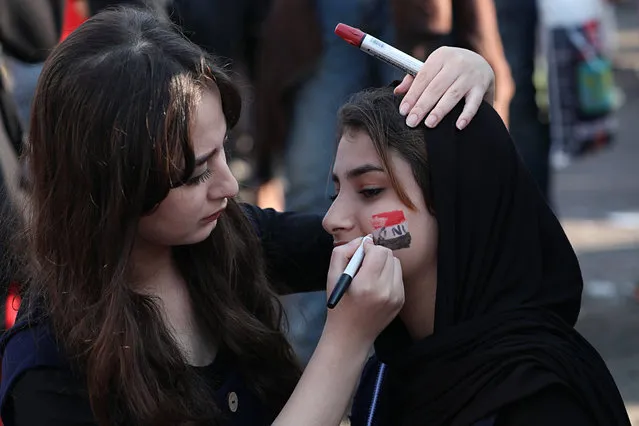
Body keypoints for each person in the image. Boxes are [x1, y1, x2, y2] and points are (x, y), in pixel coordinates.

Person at [0, 7, 497, 426]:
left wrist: (464, 75)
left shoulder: (222, 238)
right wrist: (345, 342)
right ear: (112, 188)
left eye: (225, 152)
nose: (230, 186)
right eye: (196, 174)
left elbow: (383, 232)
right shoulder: (50, 370)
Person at [322, 86, 631, 425]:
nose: (331, 219)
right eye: (335, 193)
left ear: (454, 201)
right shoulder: (385, 373)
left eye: (370, 191)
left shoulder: (537, 399)